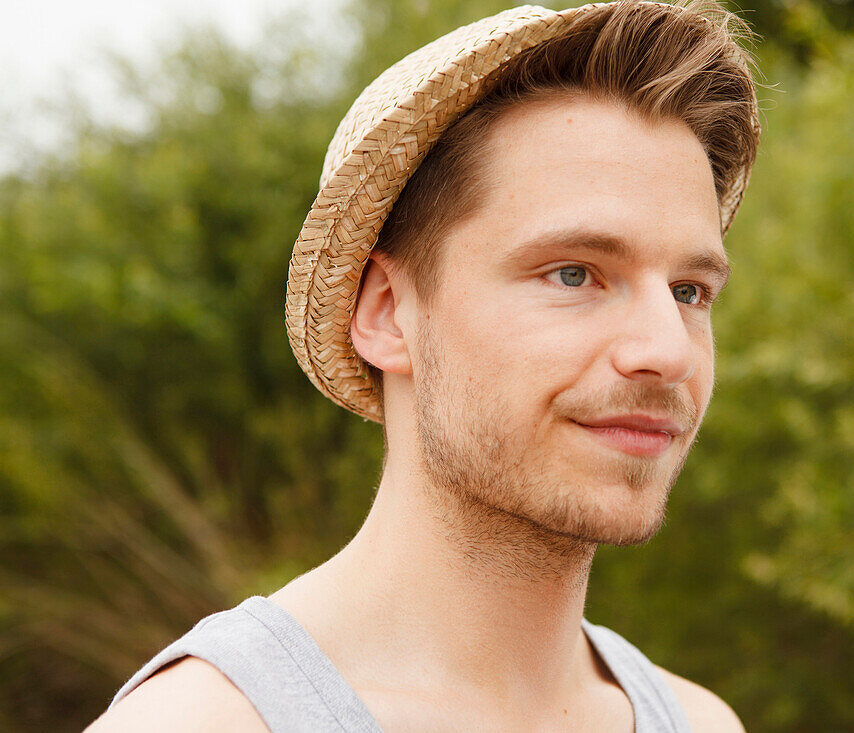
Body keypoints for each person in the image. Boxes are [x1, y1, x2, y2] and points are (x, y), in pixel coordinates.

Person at [87, 0, 760, 730]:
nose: (667, 351)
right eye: (573, 273)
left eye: (689, 291)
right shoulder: (201, 722)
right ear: (385, 311)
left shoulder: (700, 721)